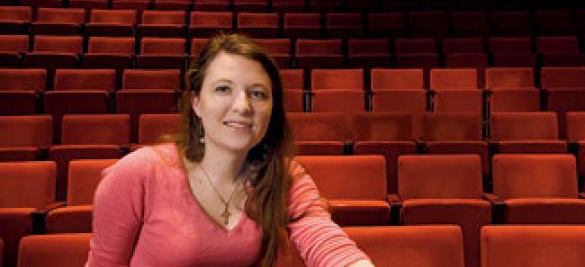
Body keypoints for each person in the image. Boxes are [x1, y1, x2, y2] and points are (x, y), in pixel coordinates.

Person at [86, 34, 374, 267]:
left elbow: (324, 240)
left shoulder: (285, 175)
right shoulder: (136, 174)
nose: (242, 106)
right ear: (197, 103)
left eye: (258, 94)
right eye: (224, 89)